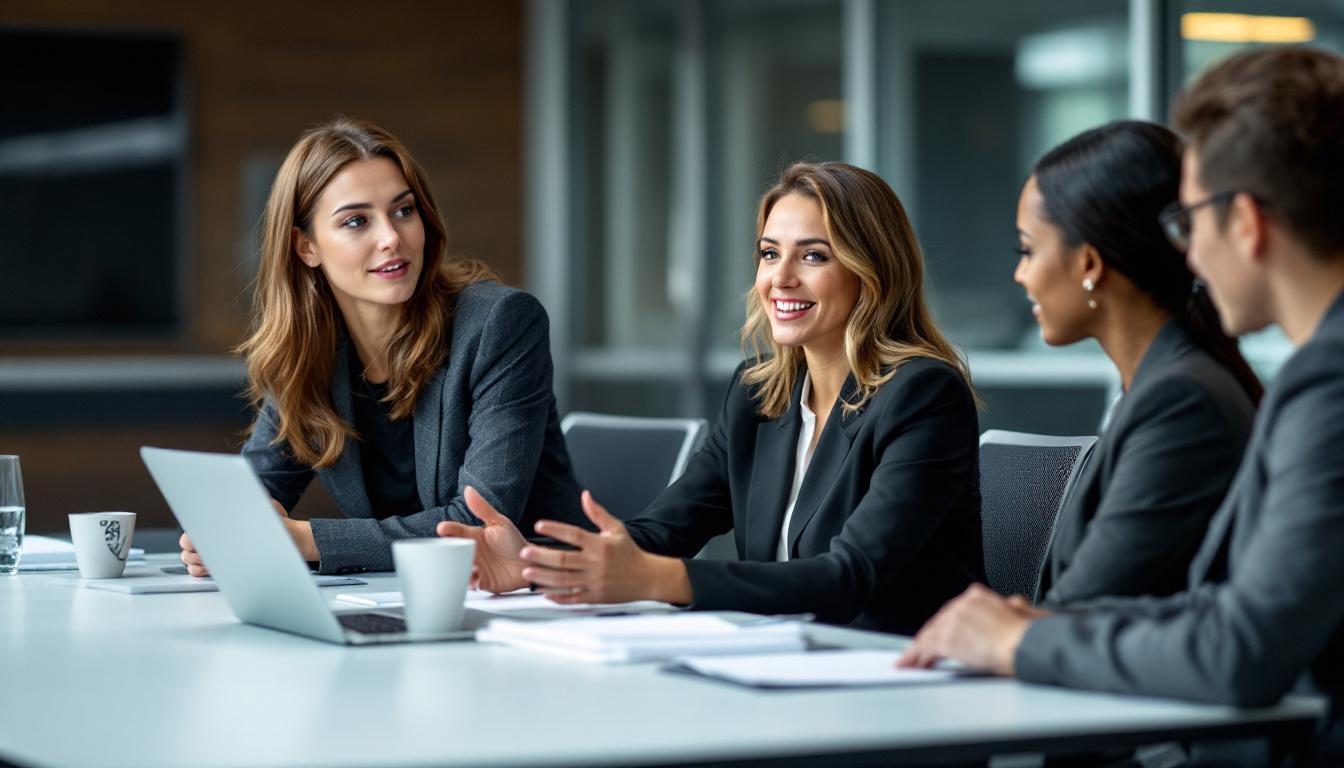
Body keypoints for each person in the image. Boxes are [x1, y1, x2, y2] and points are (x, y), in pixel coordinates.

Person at [899, 47, 1344, 765]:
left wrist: (1020, 639)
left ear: (1247, 222)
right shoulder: (1289, 379)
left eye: (1191, 223)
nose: (1188, 256)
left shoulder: (1312, 386)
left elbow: (1242, 647)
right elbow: (1223, 609)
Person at [440, 161, 985, 634]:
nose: (780, 278)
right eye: (769, 254)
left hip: (898, 674)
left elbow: (849, 577)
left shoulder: (922, 395)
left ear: (872, 271)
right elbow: (663, 531)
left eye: (814, 257)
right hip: (780, 660)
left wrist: (659, 579)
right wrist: (536, 565)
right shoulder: (758, 395)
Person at [180, 117, 584, 576]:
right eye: (357, 221)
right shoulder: (309, 354)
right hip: (397, 594)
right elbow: (249, 500)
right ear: (306, 247)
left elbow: (481, 526)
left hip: (536, 595)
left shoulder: (499, 324)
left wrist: (305, 540)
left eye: (403, 210)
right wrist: (219, 536)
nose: (392, 238)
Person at [1016, 120, 1261, 606]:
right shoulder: (1159, 384)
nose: (1020, 274)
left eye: (1028, 250)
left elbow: (1084, 607)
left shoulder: (1181, 400)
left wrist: (1003, 627)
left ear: (1089, 263)